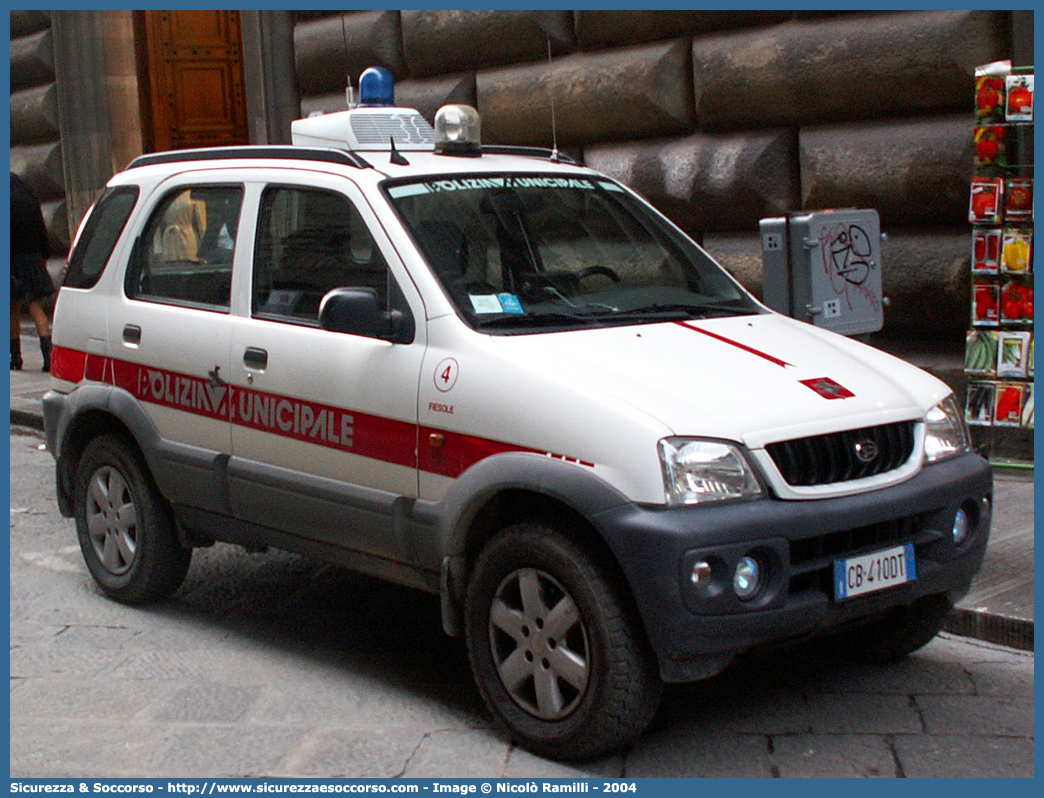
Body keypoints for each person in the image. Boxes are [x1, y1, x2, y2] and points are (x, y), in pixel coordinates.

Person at [10, 172, 54, 371]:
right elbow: (42, 232)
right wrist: (43, 257)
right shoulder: (30, 202)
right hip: (33, 260)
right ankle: (48, 357)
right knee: (37, 308)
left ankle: (16, 359)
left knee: (12, 310)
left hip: (12, 262)